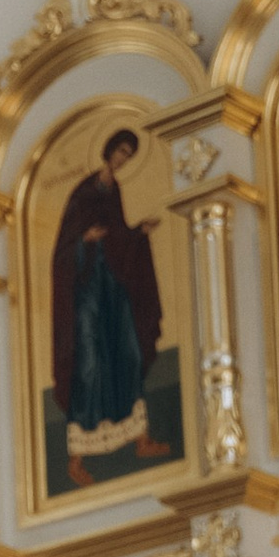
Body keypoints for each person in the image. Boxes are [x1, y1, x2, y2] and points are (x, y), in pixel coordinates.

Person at [49, 128, 169, 479]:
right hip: (87, 291)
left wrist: (138, 232)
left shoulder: (114, 190)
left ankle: (140, 438)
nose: (123, 159)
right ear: (108, 150)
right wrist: (84, 240)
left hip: (113, 288)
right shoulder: (83, 192)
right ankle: (76, 459)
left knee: (128, 353)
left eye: (129, 155)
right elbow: (62, 252)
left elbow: (116, 235)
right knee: (87, 364)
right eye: (120, 151)